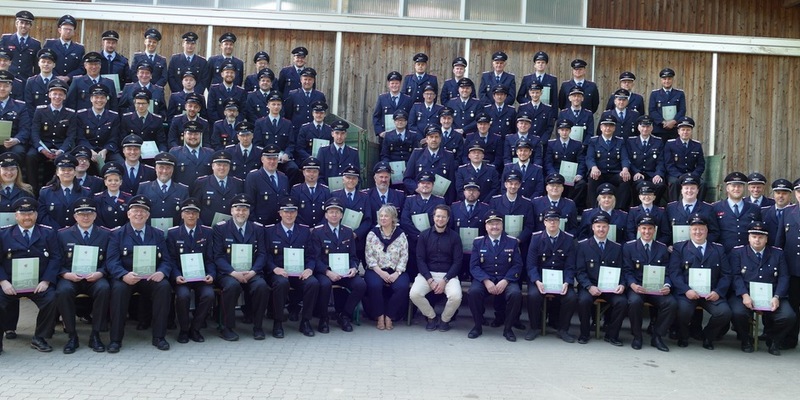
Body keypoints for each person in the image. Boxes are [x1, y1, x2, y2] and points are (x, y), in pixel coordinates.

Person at [105, 195, 173, 352]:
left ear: (148, 215)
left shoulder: (157, 234)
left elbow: (167, 260)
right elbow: (112, 261)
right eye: (135, 211)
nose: (139, 214)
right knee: (119, 290)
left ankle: (159, 337)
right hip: (127, 277)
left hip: (150, 277)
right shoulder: (117, 234)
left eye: (143, 211)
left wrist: (162, 272)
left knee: (163, 287)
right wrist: (123, 275)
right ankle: (115, 339)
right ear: (128, 214)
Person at [0, 197, 61, 354]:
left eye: (31, 213)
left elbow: (56, 257)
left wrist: (47, 281)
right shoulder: (4, 234)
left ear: (36, 214)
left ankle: (40, 337)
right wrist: (3, 282)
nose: (27, 217)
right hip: (10, 284)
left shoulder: (48, 233)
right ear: (16, 215)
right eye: (23, 213)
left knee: (52, 298)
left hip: (38, 283)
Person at [728, 221, 795, 355]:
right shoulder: (738, 252)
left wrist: (777, 297)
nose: (757, 240)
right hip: (745, 294)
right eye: (754, 236)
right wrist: (744, 294)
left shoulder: (777, 254)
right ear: (749, 237)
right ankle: (746, 339)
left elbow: (783, 277)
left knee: (789, 316)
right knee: (737, 313)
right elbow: (735, 276)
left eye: (760, 237)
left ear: (766, 238)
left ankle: (774, 341)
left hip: (772, 295)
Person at [55, 197, 111, 353]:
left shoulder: (105, 234)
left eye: (89, 213)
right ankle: (72, 336)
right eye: (81, 214)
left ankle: (96, 335)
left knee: (104, 289)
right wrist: (66, 274)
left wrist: (101, 272)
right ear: (75, 216)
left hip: (95, 278)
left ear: (95, 215)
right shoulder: (62, 235)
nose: (85, 217)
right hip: (71, 277)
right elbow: (56, 260)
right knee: (63, 291)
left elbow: (111, 260)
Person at [668, 213, 732, 350]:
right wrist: (686, 290)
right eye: (694, 229)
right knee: (682, 311)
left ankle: (708, 336)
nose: (698, 232)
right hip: (688, 292)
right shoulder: (680, 248)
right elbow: (674, 272)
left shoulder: (718, 249)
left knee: (724, 312)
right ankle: (683, 336)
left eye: (701, 229)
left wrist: (718, 291)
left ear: (707, 230)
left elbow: (726, 274)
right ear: (689, 231)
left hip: (711, 293)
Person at [212, 194, 270, 341]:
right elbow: (217, 256)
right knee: (231, 287)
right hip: (228, 273)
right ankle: (227, 327)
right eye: (238, 209)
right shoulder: (221, 229)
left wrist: (253, 272)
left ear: (249, 212)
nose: (241, 213)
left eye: (244, 210)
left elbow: (262, 254)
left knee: (261, 287)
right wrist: (233, 273)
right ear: (231, 211)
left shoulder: (257, 229)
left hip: (252, 271)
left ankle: (258, 327)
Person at [264, 196, 320, 338]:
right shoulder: (269, 231)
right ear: (280, 213)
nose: (289, 215)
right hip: (279, 272)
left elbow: (311, 255)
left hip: (300, 272)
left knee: (313, 283)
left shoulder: (305, 231)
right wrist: (274, 268)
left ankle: (306, 321)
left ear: (296, 213)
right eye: (286, 211)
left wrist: (309, 269)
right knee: (281, 283)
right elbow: (265, 254)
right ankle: (278, 322)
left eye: (292, 212)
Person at [311, 197, 366, 333]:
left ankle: (344, 315)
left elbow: (353, 256)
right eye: (331, 212)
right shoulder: (317, 232)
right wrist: (327, 272)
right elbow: (315, 258)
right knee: (324, 285)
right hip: (325, 272)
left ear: (342, 215)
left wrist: (353, 267)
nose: (334, 215)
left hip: (344, 271)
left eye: (337, 212)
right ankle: (324, 318)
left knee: (361, 285)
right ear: (326, 215)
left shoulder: (347, 231)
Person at [467, 210, 523, 341]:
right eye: (491, 224)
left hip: (506, 279)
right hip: (485, 279)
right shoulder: (478, 242)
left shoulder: (512, 242)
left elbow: (517, 265)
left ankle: (508, 329)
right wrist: (486, 281)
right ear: (486, 226)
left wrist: (506, 281)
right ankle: (477, 326)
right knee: (473, 292)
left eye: (497, 223)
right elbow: (474, 266)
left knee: (515, 294)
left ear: (502, 225)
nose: (494, 227)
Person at [166, 198, 215, 344]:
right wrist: (176, 276)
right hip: (183, 278)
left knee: (209, 295)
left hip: (201, 277)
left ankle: (196, 328)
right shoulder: (173, 233)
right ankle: (184, 329)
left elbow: (211, 259)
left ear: (198, 215)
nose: (191, 216)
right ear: (182, 215)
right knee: (183, 296)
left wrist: (211, 275)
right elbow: (171, 260)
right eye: (187, 212)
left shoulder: (207, 232)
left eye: (194, 213)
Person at [622, 215, 674, 351]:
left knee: (671, 303)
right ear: (638, 229)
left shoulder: (662, 248)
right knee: (634, 302)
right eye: (644, 228)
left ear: (654, 230)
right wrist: (632, 285)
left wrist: (667, 285)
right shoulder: (629, 247)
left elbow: (668, 271)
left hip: (657, 288)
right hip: (637, 287)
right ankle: (637, 336)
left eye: (650, 229)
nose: (647, 231)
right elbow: (627, 270)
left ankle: (657, 336)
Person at [525, 207, 577, 343]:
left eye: (555, 220)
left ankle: (563, 329)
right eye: (549, 220)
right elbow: (531, 265)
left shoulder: (568, 239)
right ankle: (534, 327)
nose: (552, 223)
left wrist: (567, 282)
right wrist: (537, 281)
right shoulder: (536, 238)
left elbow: (570, 265)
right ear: (544, 222)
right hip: (540, 279)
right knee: (533, 295)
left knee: (571, 297)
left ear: (559, 222)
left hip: (561, 280)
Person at [575, 212, 628, 346]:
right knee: (583, 300)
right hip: (590, 286)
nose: (601, 229)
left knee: (622, 302)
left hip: (611, 287)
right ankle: (584, 333)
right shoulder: (583, 246)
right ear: (593, 227)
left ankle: (612, 335)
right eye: (598, 226)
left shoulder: (617, 247)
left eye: (604, 226)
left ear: (608, 228)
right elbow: (580, 271)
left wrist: (622, 284)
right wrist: (589, 286)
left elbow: (623, 270)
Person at [411, 204, 463, 332]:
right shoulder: (424, 235)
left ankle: (445, 320)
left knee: (456, 296)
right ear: (433, 217)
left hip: (448, 276)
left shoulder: (455, 237)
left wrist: (445, 280)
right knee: (414, 294)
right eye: (438, 216)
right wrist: (430, 280)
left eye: (443, 217)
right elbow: (420, 260)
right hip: (427, 275)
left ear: (448, 218)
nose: (440, 219)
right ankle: (431, 317)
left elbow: (457, 262)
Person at [0, 152, 35, 340]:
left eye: (13, 168)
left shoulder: (26, 190)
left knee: (13, 281)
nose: (9, 172)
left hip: (15, 241)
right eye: (5, 168)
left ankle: (10, 327)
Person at [364, 204, 409, 330]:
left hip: (395, 270)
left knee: (402, 286)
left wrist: (397, 273)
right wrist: (380, 272)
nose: (383, 218)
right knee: (375, 285)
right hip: (376, 269)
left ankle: (389, 315)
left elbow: (404, 255)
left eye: (386, 216)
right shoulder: (372, 234)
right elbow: (369, 255)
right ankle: (379, 316)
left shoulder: (400, 235)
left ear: (393, 218)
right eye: (381, 216)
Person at [30, 79, 78, 190]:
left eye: (60, 94)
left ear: (65, 97)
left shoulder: (70, 113)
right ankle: (33, 188)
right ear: (49, 95)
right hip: (43, 145)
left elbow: (71, 136)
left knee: (65, 158)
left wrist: (61, 150)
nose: (57, 97)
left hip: (61, 146)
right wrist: (41, 149)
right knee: (30, 156)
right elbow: (35, 132)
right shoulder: (40, 111)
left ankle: (56, 188)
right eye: (54, 94)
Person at [585, 115, 631, 209]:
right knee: (592, 178)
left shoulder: (620, 141)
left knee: (625, 179)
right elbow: (590, 158)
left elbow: (624, 158)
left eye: (610, 126)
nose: (608, 128)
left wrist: (625, 169)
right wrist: (593, 167)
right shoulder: (594, 141)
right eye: (605, 126)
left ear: (614, 128)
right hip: (599, 172)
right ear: (601, 127)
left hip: (615, 173)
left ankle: (619, 209)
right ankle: (594, 208)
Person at [37, 155, 90, 231]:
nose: (66, 172)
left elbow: (88, 215)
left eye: (70, 170)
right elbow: (42, 216)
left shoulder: (85, 193)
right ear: (57, 172)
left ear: (75, 172)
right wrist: (59, 231)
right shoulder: (45, 192)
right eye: (63, 169)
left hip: (76, 234)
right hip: (52, 234)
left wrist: (70, 232)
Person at [712, 171, 762, 252]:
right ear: (727, 188)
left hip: (747, 255)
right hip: (724, 254)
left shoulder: (754, 208)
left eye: (739, 186)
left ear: (744, 188)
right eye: (733, 186)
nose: (736, 189)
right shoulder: (715, 208)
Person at [191, 150, 244, 226]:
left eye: (225, 165)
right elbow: (195, 207)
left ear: (229, 167)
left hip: (230, 227)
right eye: (219, 164)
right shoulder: (202, 183)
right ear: (213, 166)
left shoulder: (237, 183)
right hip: (207, 228)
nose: (222, 168)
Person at [75, 84, 123, 166]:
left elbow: (114, 138)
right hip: (86, 150)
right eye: (96, 97)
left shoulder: (113, 116)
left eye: (102, 98)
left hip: (107, 150)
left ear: (106, 99)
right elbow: (80, 138)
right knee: (78, 165)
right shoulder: (81, 115)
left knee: (121, 164)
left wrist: (105, 150)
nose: (99, 100)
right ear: (91, 99)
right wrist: (90, 150)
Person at [137, 152, 189, 227]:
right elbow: (139, 212)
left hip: (174, 234)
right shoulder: (144, 188)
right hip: (151, 234)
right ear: (155, 168)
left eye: (168, 168)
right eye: (161, 167)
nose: (164, 171)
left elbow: (185, 216)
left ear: (173, 170)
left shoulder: (182, 190)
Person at [544, 119, 587, 205]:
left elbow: (581, 161)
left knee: (581, 184)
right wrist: (554, 174)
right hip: (556, 173)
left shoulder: (577, 144)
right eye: (562, 130)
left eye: (567, 130)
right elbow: (548, 162)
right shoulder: (551, 144)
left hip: (572, 175)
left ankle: (571, 204)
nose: (564, 132)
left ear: (570, 131)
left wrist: (579, 174)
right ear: (558, 131)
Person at [626, 115, 666, 204]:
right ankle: (637, 207)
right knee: (639, 184)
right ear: (638, 127)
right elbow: (628, 160)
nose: (645, 129)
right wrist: (635, 172)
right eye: (643, 126)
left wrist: (658, 174)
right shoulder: (631, 141)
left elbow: (661, 161)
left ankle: (654, 206)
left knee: (660, 185)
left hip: (652, 174)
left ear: (652, 128)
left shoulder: (658, 141)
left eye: (648, 126)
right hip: (637, 173)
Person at [245, 144, 290, 226]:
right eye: (269, 158)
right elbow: (249, 205)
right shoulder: (253, 177)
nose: (272, 161)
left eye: (274, 158)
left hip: (279, 226)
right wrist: (255, 225)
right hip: (261, 226)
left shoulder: (283, 178)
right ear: (262, 159)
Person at [780, 178, 800, 349]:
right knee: (793, 306)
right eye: (799, 192)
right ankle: (791, 339)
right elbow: (780, 242)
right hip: (793, 268)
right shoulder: (788, 212)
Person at [120, 87, 168, 153]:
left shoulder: (157, 120)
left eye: (143, 103)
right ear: (134, 104)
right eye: (138, 103)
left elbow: (161, 142)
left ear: (148, 104)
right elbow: (122, 140)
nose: (141, 106)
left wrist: (161, 152)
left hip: (151, 154)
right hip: (132, 153)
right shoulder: (126, 119)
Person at [169, 120, 214, 188]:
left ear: (201, 135)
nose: (193, 137)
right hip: (183, 195)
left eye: (196, 134)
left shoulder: (210, 153)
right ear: (184, 135)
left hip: (204, 195)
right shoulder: (175, 153)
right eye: (190, 134)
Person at [42, 15, 84, 83]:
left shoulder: (79, 48)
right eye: (65, 29)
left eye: (70, 29)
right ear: (59, 30)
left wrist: (68, 77)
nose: (68, 31)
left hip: (71, 84)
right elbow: (44, 62)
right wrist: (55, 76)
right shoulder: (49, 44)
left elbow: (81, 68)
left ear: (74, 32)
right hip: (51, 81)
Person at [0, 70, 31, 163]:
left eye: (6, 86)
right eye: (0, 85)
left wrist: (16, 140)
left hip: (12, 142)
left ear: (11, 88)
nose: (2, 89)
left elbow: (25, 129)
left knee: (19, 151)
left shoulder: (20, 106)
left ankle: (15, 176)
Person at [0, 11, 41, 80]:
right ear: (16, 23)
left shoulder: (35, 44)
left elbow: (37, 67)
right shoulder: (6, 40)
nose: (23, 26)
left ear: (30, 26)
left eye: (27, 24)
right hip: (7, 79)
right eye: (21, 23)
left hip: (26, 81)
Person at [290, 157, 330, 227]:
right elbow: (294, 211)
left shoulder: (325, 190)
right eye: (308, 171)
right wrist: (305, 228)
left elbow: (328, 211)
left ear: (318, 173)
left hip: (321, 230)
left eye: (314, 171)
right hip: (301, 229)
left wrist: (318, 228)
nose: (312, 174)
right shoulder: (296, 190)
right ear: (303, 172)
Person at [317, 120, 359, 186]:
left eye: (342, 133)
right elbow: (319, 175)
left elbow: (357, 176)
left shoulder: (353, 153)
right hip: (328, 193)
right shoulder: (323, 151)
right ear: (332, 134)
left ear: (346, 134)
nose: (339, 136)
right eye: (337, 133)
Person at [648, 68, 686, 141]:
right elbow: (652, 111)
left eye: (669, 79)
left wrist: (673, 121)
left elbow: (682, 110)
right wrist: (663, 122)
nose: (667, 81)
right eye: (664, 79)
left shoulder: (679, 93)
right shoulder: (655, 94)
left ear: (672, 80)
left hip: (674, 129)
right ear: (661, 80)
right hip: (659, 129)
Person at [285, 68, 326, 134]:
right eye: (305, 79)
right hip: (296, 132)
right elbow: (288, 114)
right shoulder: (293, 95)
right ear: (301, 80)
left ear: (313, 81)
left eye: (310, 79)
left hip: (313, 132)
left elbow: (322, 115)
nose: (307, 82)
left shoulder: (320, 96)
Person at [94, 162, 132, 229]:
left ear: (121, 182)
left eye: (116, 180)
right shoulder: (98, 199)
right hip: (104, 234)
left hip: (123, 234)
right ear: (105, 182)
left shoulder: (128, 198)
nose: (113, 183)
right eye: (110, 180)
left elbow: (130, 218)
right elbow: (97, 219)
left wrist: (121, 230)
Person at [23, 49, 57, 115]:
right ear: (38, 63)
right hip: (34, 119)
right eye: (43, 62)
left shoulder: (58, 82)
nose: (46, 64)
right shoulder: (31, 81)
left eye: (49, 62)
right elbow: (28, 104)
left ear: (54, 65)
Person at [761, 179, 792, 246]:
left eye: (784, 193)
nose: (781, 196)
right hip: (769, 253)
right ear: (774, 195)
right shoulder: (763, 212)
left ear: (790, 195)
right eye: (778, 193)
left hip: (789, 253)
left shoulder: (796, 213)